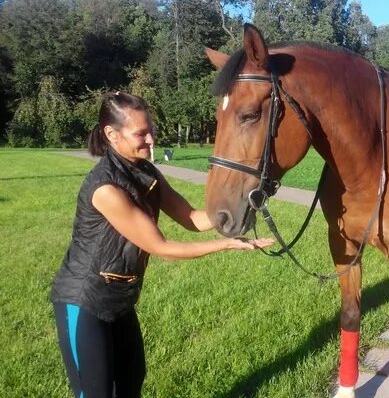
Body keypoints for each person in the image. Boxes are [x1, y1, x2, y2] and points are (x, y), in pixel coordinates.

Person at [50, 91, 274, 398]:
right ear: (112, 135)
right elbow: (161, 246)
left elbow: (192, 218)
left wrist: (242, 201)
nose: (151, 139)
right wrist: (226, 245)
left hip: (120, 300)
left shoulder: (146, 173)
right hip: (83, 300)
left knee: (130, 384)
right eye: (141, 133)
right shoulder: (105, 188)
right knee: (97, 393)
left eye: (150, 130)